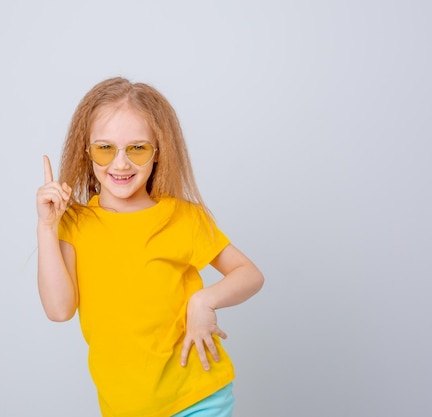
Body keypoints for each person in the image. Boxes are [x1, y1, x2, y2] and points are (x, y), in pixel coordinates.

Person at [36, 77, 264, 417]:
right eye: (105, 148)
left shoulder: (184, 218)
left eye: (137, 148)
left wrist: (204, 300)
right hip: (125, 407)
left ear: (158, 151)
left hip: (197, 397)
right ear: (87, 151)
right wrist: (46, 227)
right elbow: (59, 310)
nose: (121, 163)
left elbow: (250, 275)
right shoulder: (75, 224)